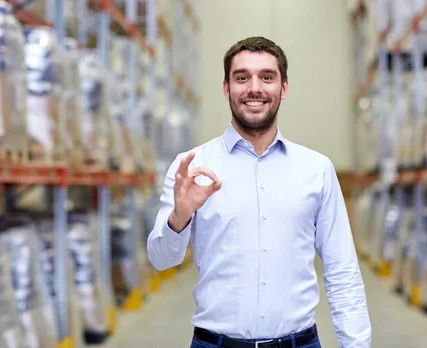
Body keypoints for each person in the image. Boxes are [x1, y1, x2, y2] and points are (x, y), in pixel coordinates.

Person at [147, 36, 371, 348]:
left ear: (284, 88)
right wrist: (179, 217)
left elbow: (342, 270)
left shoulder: (316, 170)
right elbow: (160, 260)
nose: (255, 88)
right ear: (226, 88)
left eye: (267, 77)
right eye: (242, 78)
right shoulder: (192, 167)